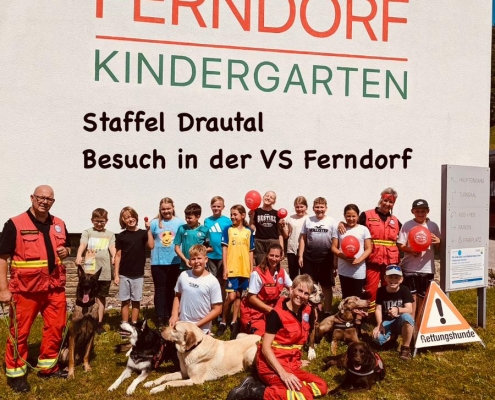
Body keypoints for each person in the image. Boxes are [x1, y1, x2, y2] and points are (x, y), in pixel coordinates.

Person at [0, 185, 71, 392]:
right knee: (20, 332)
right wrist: (3, 289)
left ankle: (48, 367)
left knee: (56, 328)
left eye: (49, 199)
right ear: (32, 198)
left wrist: (67, 251)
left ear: (53, 202)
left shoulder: (59, 224)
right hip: (26, 290)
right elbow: (2, 258)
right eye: (41, 197)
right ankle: (16, 373)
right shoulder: (15, 224)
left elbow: (66, 246)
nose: (44, 201)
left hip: (54, 288)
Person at [226, 274, 328, 400]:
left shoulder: (307, 311)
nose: (302, 296)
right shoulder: (276, 314)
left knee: (322, 386)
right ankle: (254, 391)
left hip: (291, 364)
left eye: (306, 293)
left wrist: (296, 360)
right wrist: (283, 373)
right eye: (299, 291)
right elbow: (265, 348)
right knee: (304, 396)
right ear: (291, 290)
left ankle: (284, 389)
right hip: (271, 366)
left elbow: (296, 341)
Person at [340, 187, 401, 316]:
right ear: (381, 199)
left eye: (391, 202)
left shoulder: (396, 220)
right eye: (385, 200)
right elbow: (352, 224)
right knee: (370, 289)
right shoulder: (367, 215)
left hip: (390, 261)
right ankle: (369, 315)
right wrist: (341, 223)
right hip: (373, 259)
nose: (387, 204)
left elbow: (405, 235)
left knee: (390, 287)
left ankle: (387, 314)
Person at [397, 199, 440, 320]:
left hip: (427, 268)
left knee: (423, 296)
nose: (420, 213)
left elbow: (438, 248)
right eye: (417, 211)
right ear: (412, 211)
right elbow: (400, 244)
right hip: (409, 267)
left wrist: (438, 241)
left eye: (423, 211)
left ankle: (420, 320)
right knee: (411, 297)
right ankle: (410, 322)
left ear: (428, 211)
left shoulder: (433, 226)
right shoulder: (407, 225)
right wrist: (410, 250)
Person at [75, 208, 116, 334]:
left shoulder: (110, 234)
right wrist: (79, 255)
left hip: (104, 271)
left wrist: (114, 256)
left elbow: (112, 247)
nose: (99, 224)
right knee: (87, 295)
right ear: (92, 220)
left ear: (106, 221)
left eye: (102, 221)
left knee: (101, 297)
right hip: (90, 272)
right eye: (97, 221)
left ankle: (99, 322)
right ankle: (86, 318)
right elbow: (83, 244)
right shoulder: (87, 232)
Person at [216, 205, 255, 339]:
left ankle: (233, 321)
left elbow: (250, 251)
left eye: (235, 214)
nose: (232, 217)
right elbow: (225, 250)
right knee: (231, 297)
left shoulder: (248, 231)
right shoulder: (228, 229)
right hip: (232, 268)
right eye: (231, 214)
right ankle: (223, 321)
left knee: (239, 295)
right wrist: (225, 268)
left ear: (243, 216)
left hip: (244, 269)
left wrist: (251, 269)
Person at [240, 243, 292, 336]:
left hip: (272, 309)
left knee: (284, 332)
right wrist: (271, 310)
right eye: (271, 255)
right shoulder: (257, 273)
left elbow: (292, 288)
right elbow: (251, 298)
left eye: (277, 256)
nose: (274, 259)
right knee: (263, 336)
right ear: (267, 255)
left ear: (281, 257)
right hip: (255, 312)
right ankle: (242, 331)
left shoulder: (282, 272)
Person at [169, 245, 223, 334]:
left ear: (206, 259)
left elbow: (217, 309)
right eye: (193, 259)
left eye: (199, 258)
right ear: (190, 261)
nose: (196, 262)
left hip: (202, 329)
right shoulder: (183, 275)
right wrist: (174, 315)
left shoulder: (212, 281)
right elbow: (177, 296)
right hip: (182, 325)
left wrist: (196, 326)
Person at [114, 206, 154, 326]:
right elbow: (118, 256)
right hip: (124, 274)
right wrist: (116, 275)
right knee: (125, 300)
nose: (130, 219)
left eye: (132, 216)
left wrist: (148, 230)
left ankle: (134, 323)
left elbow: (151, 246)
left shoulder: (142, 233)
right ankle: (125, 324)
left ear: (136, 217)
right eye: (127, 218)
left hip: (138, 274)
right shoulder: (121, 236)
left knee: (136, 300)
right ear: (123, 221)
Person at [149, 197, 185, 328]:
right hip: (158, 262)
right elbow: (150, 244)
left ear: (173, 208)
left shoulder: (179, 222)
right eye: (163, 209)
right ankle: (159, 317)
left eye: (168, 208)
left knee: (171, 289)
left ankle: (170, 315)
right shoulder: (154, 223)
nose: (166, 211)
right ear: (160, 209)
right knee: (160, 290)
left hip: (174, 261)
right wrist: (148, 230)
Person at [298, 197, 337, 315]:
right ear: (313, 208)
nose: (319, 209)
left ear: (326, 208)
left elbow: (335, 242)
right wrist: (300, 256)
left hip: (326, 259)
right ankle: (309, 312)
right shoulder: (308, 220)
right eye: (317, 207)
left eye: (322, 207)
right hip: (309, 258)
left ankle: (327, 311)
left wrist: (335, 261)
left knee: (326, 286)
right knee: (309, 286)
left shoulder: (332, 222)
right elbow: (303, 239)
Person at [372, 265, 414, 361]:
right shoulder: (381, 291)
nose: (393, 280)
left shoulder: (405, 290)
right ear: (385, 278)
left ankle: (405, 348)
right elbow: (378, 309)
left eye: (396, 277)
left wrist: (398, 310)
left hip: (401, 320)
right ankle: (393, 336)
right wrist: (379, 325)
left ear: (401, 279)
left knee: (407, 317)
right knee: (376, 339)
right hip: (387, 321)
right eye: (390, 277)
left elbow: (409, 309)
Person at [331, 204, 372, 299]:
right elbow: (333, 247)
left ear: (358, 216)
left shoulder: (364, 229)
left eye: (354, 216)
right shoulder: (339, 229)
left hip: (359, 268)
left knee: (357, 297)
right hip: (344, 268)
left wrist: (359, 260)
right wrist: (344, 257)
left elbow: (369, 248)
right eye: (348, 216)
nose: (351, 218)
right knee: (346, 297)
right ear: (344, 216)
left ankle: (358, 310)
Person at [204, 196, 232, 299]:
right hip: (211, 256)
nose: (216, 208)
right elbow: (205, 237)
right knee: (212, 282)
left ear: (223, 207)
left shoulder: (227, 221)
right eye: (214, 206)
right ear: (211, 207)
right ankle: (213, 304)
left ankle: (222, 305)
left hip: (222, 256)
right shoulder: (207, 221)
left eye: (219, 206)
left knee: (222, 282)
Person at [249, 191, 284, 265]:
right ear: (263, 197)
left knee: (273, 265)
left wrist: (282, 249)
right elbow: (251, 226)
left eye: (271, 197)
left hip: (273, 241)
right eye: (267, 196)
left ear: (274, 201)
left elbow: (279, 233)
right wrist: (251, 218)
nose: (268, 198)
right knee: (260, 264)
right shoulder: (256, 211)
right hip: (259, 241)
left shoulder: (276, 213)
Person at [280, 196, 309, 280]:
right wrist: (283, 227)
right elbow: (286, 235)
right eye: (297, 207)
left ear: (306, 207)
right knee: (293, 275)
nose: (299, 209)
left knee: (305, 275)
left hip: (305, 250)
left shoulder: (309, 219)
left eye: (301, 207)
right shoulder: (290, 218)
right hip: (292, 249)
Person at [174, 203, 209, 270]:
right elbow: (176, 248)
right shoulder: (182, 228)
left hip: (199, 265)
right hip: (185, 265)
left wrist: (199, 252)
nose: (187, 220)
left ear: (198, 217)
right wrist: (185, 260)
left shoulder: (204, 230)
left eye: (189, 218)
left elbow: (210, 248)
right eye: (186, 217)